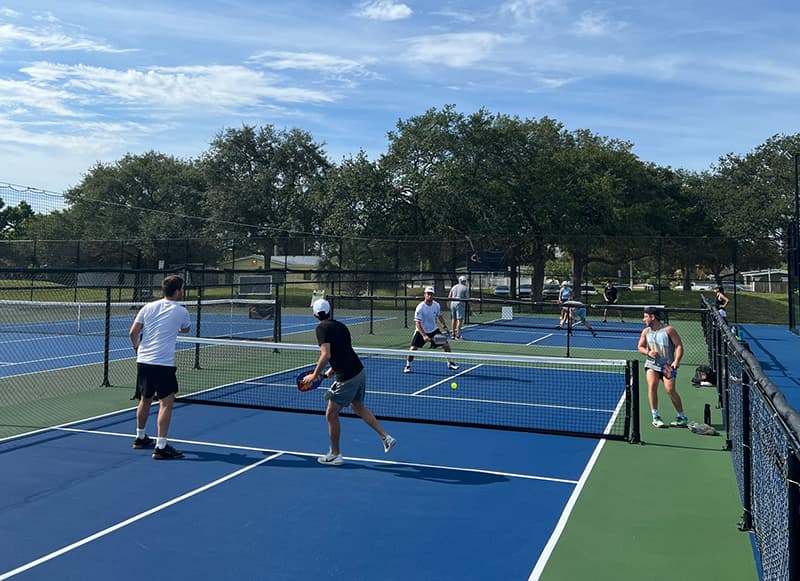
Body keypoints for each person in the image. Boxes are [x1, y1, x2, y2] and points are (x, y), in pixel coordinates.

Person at [304, 299, 396, 466]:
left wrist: (314, 375)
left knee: (331, 415)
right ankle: (386, 437)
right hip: (359, 371)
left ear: (315, 315)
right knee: (358, 407)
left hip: (347, 377)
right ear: (330, 311)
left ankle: (335, 454)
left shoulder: (321, 328)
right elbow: (343, 349)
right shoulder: (340, 326)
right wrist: (332, 370)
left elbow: (326, 354)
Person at [129, 275, 192, 460]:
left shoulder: (147, 307)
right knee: (166, 403)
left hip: (144, 361)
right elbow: (186, 329)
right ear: (178, 291)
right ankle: (161, 446)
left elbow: (133, 332)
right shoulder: (181, 311)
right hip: (162, 363)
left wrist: (137, 349)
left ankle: (140, 437)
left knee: (145, 399)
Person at [637, 306, 688, 428]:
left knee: (670, 390)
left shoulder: (669, 330)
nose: (643, 319)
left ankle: (681, 416)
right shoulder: (646, 332)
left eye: (645, 317)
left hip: (668, 366)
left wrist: (676, 361)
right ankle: (655, 416)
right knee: (652, 386)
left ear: (652, 317)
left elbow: (679, 346)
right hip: (651, 364)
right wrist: (648, 353)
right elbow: (640, 347)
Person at [404, 287, 459, 373]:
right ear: (424, 295)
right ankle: (408, 365)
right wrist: (424, 335)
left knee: (446, 345)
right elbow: (417, 323)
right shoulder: (420, 307)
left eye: (431, 294)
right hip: (421, 331)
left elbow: (439, 316)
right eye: (428, 294)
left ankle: (450, 363)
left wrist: (445, 327)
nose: (429, 295)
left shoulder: (436, 305)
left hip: (434, 331)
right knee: (413, 349)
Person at [448, 275, 470, 340]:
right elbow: (467, 298)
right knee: (459, 320)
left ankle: (453, 334)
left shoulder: (454, 287)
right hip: (460, 304)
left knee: (453, 319)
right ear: (463, 281)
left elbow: (449, 296)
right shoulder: (465, 288)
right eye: (465, 281)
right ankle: (458, 335)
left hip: (452, 304)